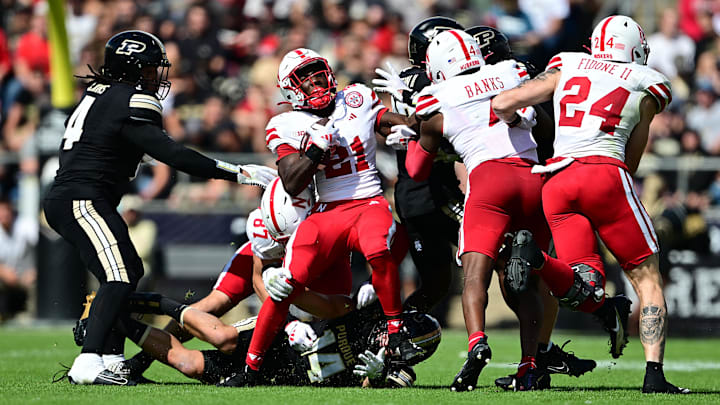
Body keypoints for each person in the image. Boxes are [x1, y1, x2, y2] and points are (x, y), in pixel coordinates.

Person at [43, 30, 276, 386]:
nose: (156, 77)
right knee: (121, 275)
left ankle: (112, 357)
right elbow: (173, 154)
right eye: (151, 69)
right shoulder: (131, 100)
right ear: (132, 69)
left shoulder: (100, 95)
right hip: (82, 199)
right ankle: (88, 363)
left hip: (78, 196)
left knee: (125, 273)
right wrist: (238, 172)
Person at [492, 15, 689, 394]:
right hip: (603, 172)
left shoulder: (567, 63)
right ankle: (654, 376)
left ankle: (537, 259)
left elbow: (504, 103)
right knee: (647, 277)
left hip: (557, 178)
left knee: (583, 287)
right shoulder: (645, 81)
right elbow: (632, 154)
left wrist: (518, 119)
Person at [232, 47, 420, 386]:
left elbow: (391, 122)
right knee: (286, 281)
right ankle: (251, 369)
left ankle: (396, 335)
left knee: (379, 249)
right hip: (328, 210)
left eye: (319, 75)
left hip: (367, 202)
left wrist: (411, 110)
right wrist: (315, 148)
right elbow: (291, 180)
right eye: (307, 81)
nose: (317, 84)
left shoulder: (357, 97)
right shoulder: (285, 124)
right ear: (291, 90)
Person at [393, 28, 550, 391]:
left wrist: (415, 133)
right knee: (524, 280)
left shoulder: (435, 97)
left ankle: (476, 343)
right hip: (531, 179)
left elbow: (416, 168)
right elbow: (544, 129)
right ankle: (531, 365)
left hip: (489, 180)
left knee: (475, 276)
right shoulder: (510, 72)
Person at [466, 25, 596, 388]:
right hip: (541, 179)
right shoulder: (517, 76)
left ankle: (540, 351)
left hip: (513, 178)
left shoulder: (505, 84)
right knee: (530, 271)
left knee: (520, 273)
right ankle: (540, 353)